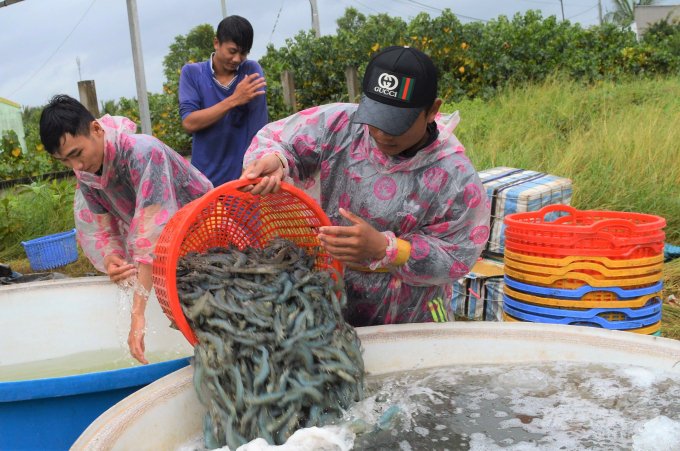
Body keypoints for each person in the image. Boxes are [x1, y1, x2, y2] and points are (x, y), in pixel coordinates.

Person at [240, 46, 491, 326]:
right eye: (375, 118)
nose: (381, 134)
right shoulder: (340, 125)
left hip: (412, 318)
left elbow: (458, 256)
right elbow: (280, 140)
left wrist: (386, 249)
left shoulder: (455, 177)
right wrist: (277, 160)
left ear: (432, 110)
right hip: (329, 299)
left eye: (397, 124)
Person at [39, 95, 213, 364]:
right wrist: (111, 259)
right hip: (168, 246)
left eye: (76, 154)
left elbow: (151, 232)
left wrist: (138, 314)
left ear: (96, 129)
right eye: (64, 161)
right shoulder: (87, 175)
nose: (76, 166)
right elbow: (103, 229)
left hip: (209, 232)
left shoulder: (143, 152)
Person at [179, 15, 268, 187]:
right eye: (232, 51)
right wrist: (234, 99)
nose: (237, 59)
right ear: (217, 43)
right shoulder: (192, 73)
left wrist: (250, 171)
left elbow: (259, 128)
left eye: (243, 53)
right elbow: (189, 123)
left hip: (243, 179)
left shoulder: (251, 71)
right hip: (203, 182)